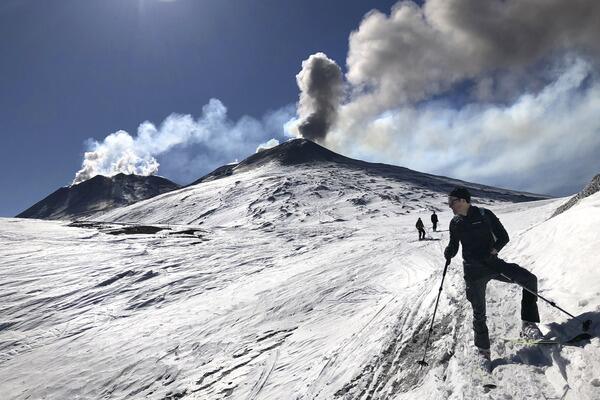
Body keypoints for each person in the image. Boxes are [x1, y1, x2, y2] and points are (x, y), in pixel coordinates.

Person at [443, 187, 542, 372]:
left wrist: (494, 250)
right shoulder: (455, 222)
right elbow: (454, 246)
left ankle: (528, 323)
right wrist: (449, 251)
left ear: (463, 200)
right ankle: (483, 351)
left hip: (493, 265)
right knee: (479, 314)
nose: (450, 206)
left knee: (529, 280)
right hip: (473, 272)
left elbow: (503, 237)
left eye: (452, 201)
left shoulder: (485, 214)